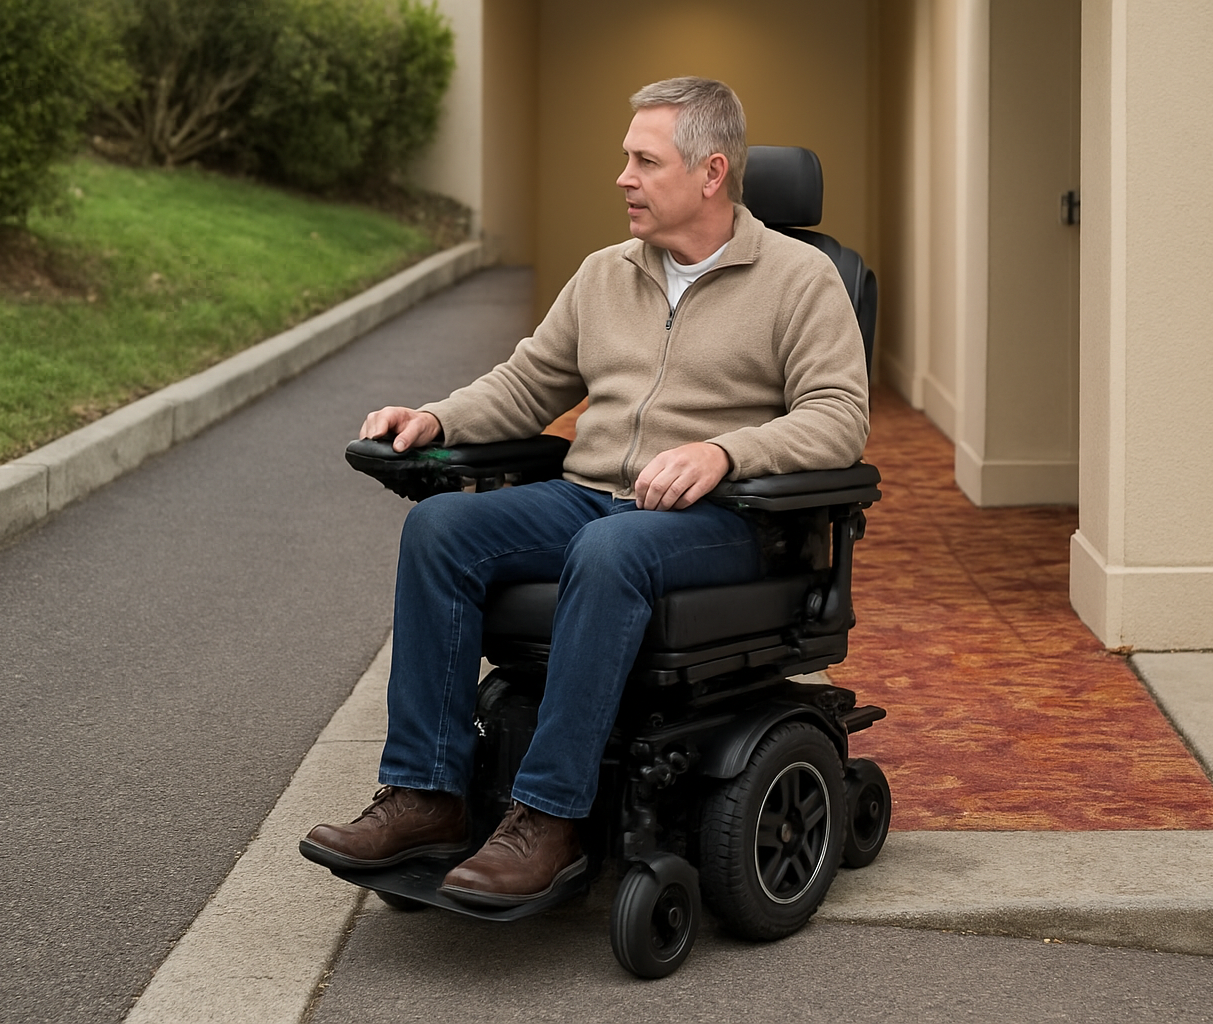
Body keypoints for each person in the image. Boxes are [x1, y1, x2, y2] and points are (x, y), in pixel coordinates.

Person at [302, 77, 869, 907]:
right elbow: (529, 383)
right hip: (592, 495)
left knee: (610, 548)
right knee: (442, 531)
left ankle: (549, 820)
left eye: (645, 160)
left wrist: (724, 451)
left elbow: (839, 419)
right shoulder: (606, 274)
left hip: (725, 520)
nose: (623, 178)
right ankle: (426, 794)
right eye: (625, 158)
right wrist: (435, 418)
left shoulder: (799, 279)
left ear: (711, 173)